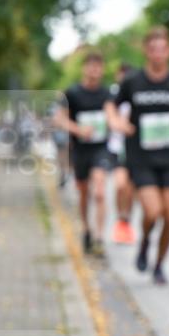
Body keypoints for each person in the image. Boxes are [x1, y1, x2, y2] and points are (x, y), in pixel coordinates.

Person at [106, 27, 169, 285]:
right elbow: (111, 106)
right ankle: (145, 241)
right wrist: (116, 122)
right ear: (146, 52)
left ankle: (159, 264)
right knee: (153, 211)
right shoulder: (133, 81)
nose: (158, 54)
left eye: (163, 49)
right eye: (153, 49)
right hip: (141, 158)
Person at [58, 52, 113, 256]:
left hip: (101, 148)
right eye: (91, 67)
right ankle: (86, 230)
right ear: (84, 69)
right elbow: (61, 120)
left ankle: (99, 237)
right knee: (83, 193)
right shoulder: (72, 93)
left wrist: (114, 122)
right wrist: (79, 129)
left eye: (98, 67)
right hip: (80, 149)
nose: (94, 71)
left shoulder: (107, 94)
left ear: (102, 70)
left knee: (99, 191)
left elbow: (111, 114)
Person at [108, 63, 137, 245]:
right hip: (117, 146)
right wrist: (119, 123)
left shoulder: (137, 94)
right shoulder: (113, 95)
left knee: (130, 189)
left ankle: (127, 221)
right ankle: (120, 219)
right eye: (122, 74)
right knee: (120, 186)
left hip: (134, 149)